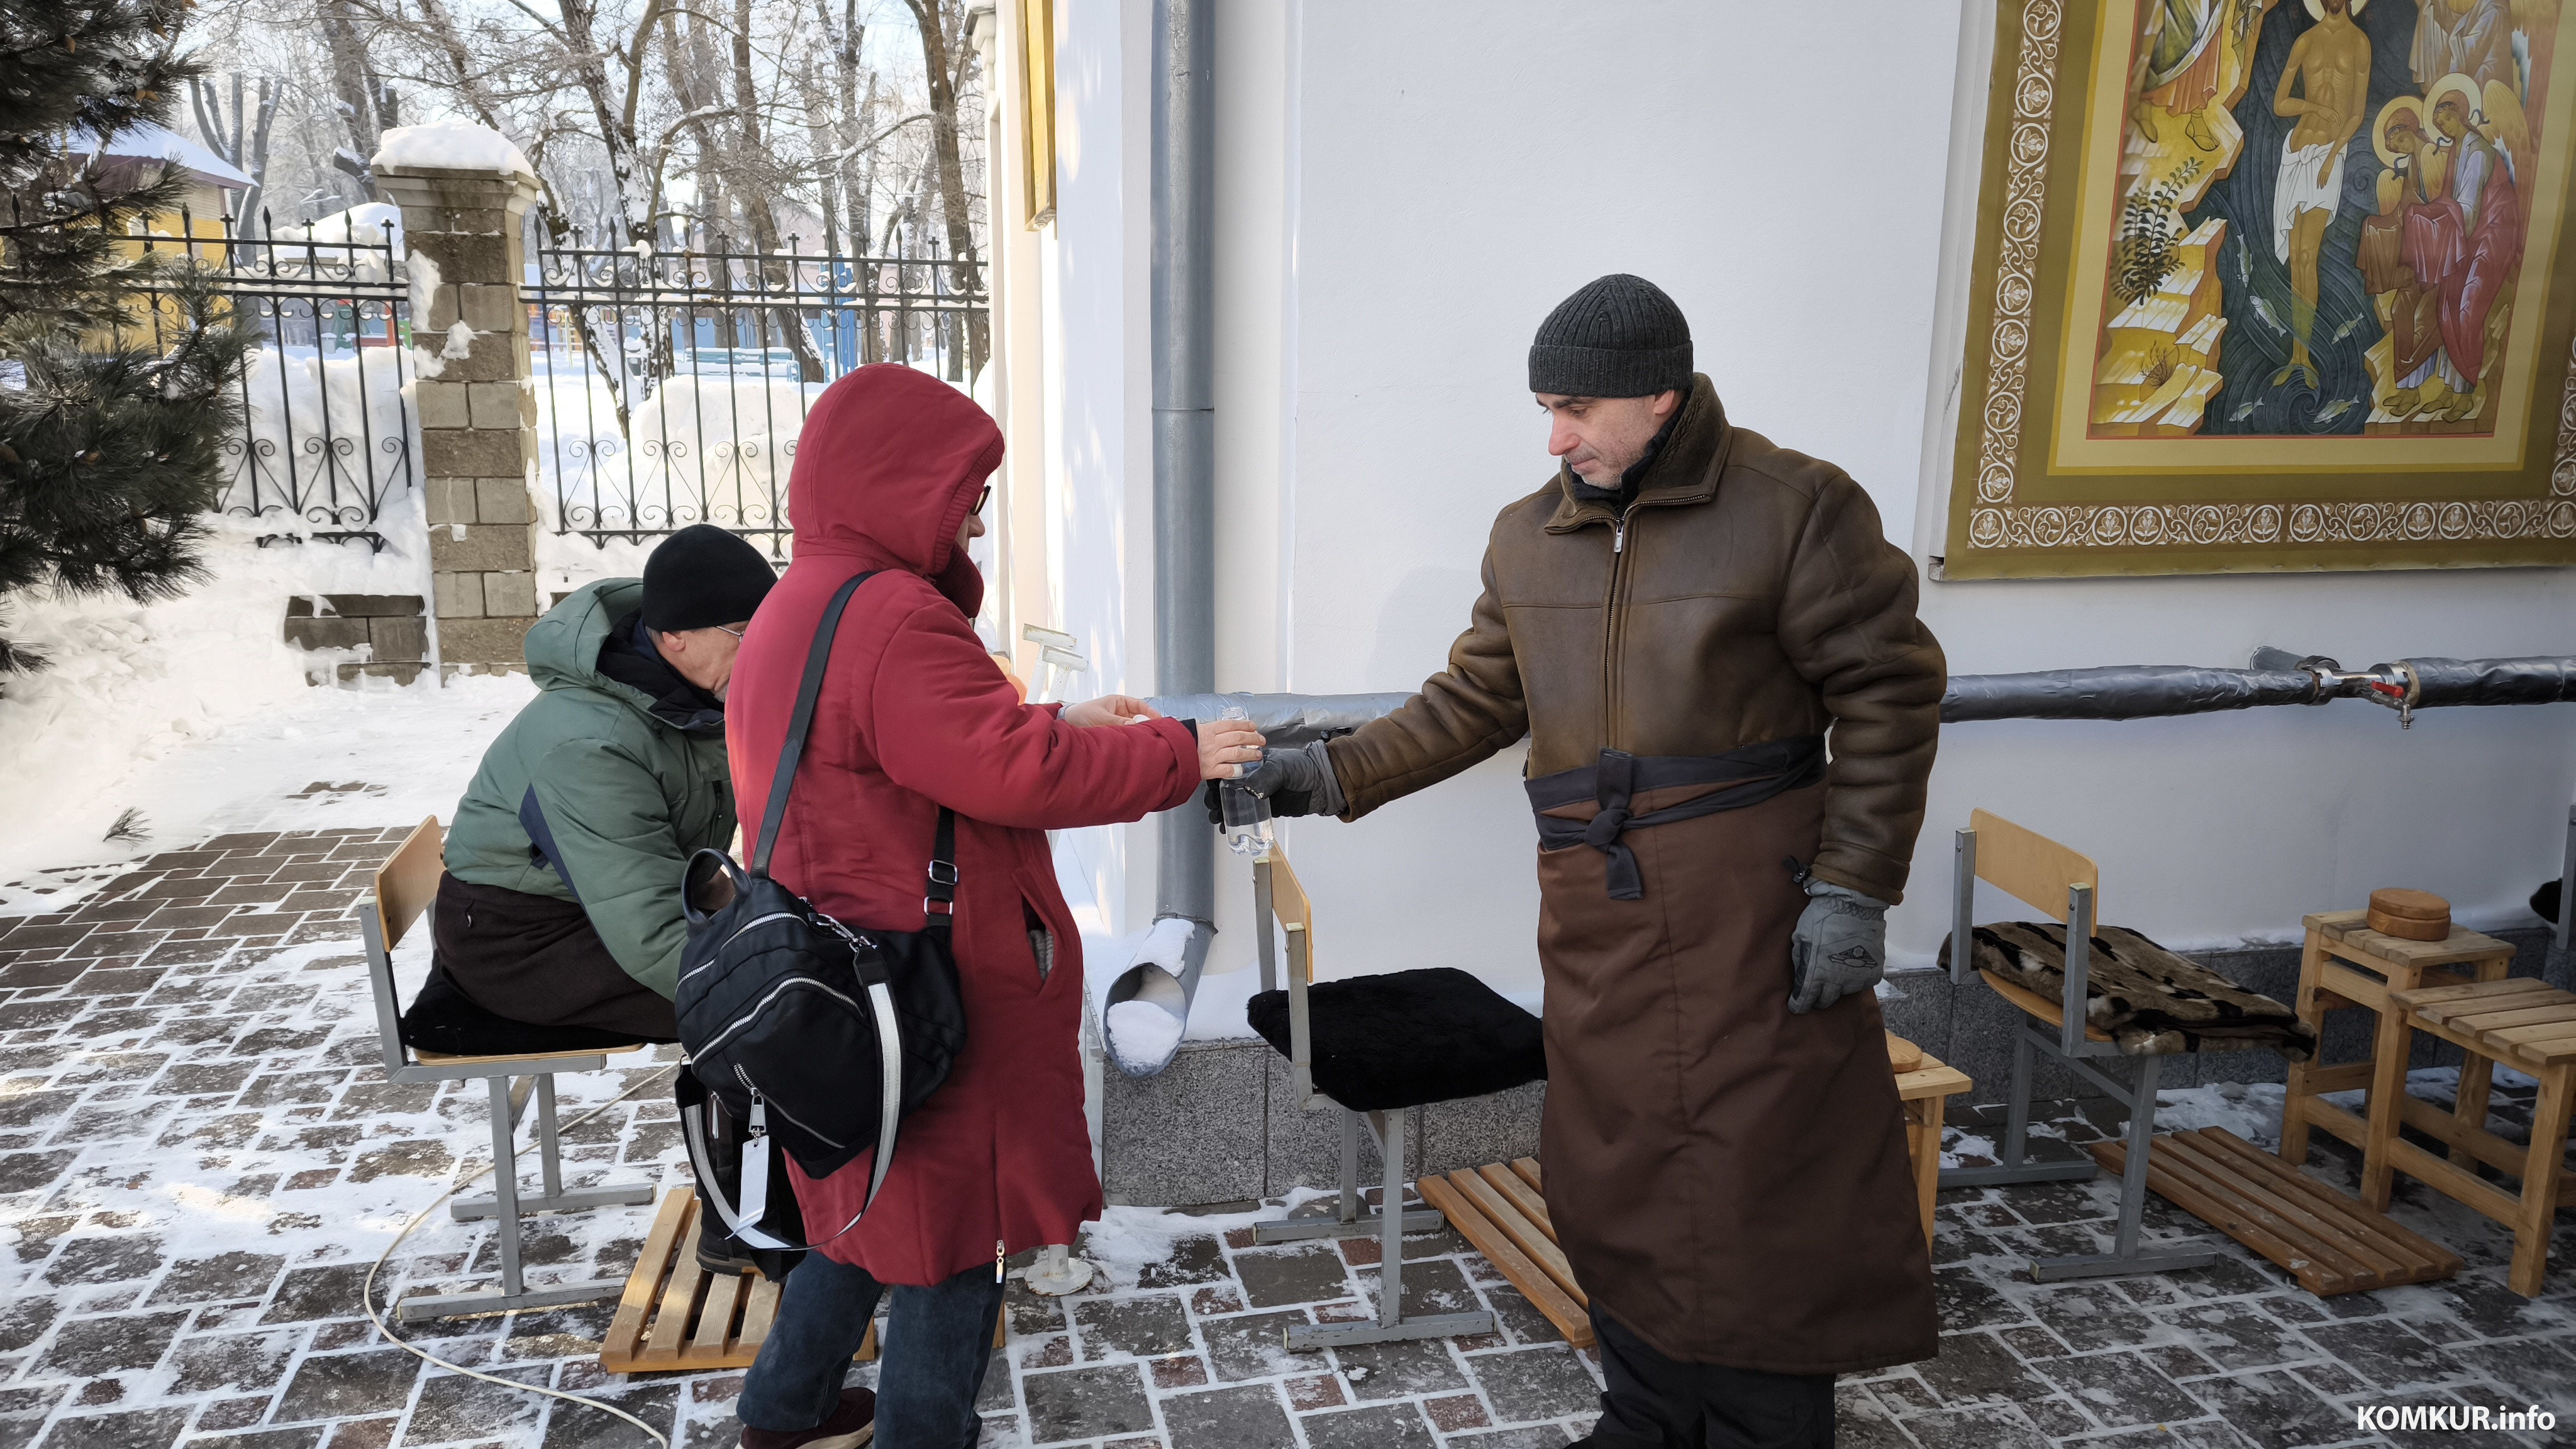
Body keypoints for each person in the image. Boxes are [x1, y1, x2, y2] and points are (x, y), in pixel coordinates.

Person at [1237, 275, 1945, 1448]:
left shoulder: (1795, 506)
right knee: (1615, 1167)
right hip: (1598, 913)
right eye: (1544, 408)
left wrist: (1854, 889)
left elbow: (1888, 689)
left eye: (1576, 408)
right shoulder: (1531, 534)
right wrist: (1328, 773)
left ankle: (1766, 1430)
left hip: (1752, 915)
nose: (1556, 436)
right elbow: (1473, 698)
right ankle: (1648, 1414)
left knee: (1761, 1179)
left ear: (1660, 397)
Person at [723, 364, 1261, 1449]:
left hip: (840, 978)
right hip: (921, 987)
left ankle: (783, 1410)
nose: (973, 513)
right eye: (964, 489)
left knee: (863, 1208)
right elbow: (1011, 772)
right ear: (900, 479)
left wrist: (1072, 718)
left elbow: (921, 745)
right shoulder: (894, 616)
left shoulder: (806, 595)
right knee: (953, 1238)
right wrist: (1172, 753)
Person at [434, 523, 777, 1041]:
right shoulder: (591, 742)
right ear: (674, 638)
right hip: (519, 945)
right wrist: (762, 987)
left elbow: (661, 868)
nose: (764, 652)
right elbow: (648, 930)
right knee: (776, 1005)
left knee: (790, 960)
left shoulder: (688, 697)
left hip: (601, 905)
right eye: (745, 634)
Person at [2268, 0, 2371, 390]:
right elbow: (2281, 104)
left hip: (2329, 153)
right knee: (2296, 258)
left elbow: (2357, 113)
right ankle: (2296, 357)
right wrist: (2313, 106)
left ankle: (2306, 355)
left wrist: (2332, 156)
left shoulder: (2360, 42)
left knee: (2309, 254)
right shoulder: (2305, 41)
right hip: (2294, 154)